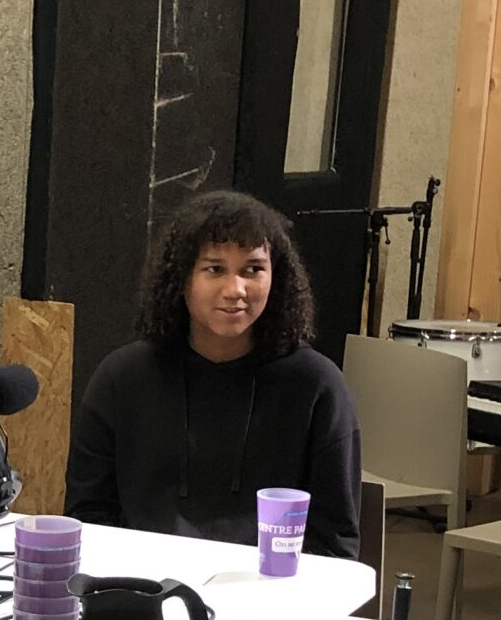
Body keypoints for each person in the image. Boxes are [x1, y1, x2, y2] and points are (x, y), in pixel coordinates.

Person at [65, 190, 363, 558]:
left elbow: (335, 543)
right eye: (215, 269)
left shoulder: (316, 385)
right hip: (143, 590)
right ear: (182, 278)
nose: (235, 289)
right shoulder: (122, 378)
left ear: (277, 277)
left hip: (268, 599)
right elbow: (88, 518)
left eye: (253, 269)